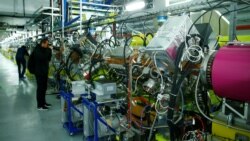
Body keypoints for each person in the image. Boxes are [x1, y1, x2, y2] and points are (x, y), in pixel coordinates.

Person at [33, 38, 52, 110]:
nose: (48, 45)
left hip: (44, 72)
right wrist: (49, 50)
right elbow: (43, 57)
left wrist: (50, 50)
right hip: (39, 73)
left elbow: (48, 58)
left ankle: (43, 103)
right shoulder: (37, 50)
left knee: (44, 88)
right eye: (47, 44)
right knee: (40, 89)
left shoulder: (44, 50)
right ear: (42, 43)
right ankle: (40, 105)